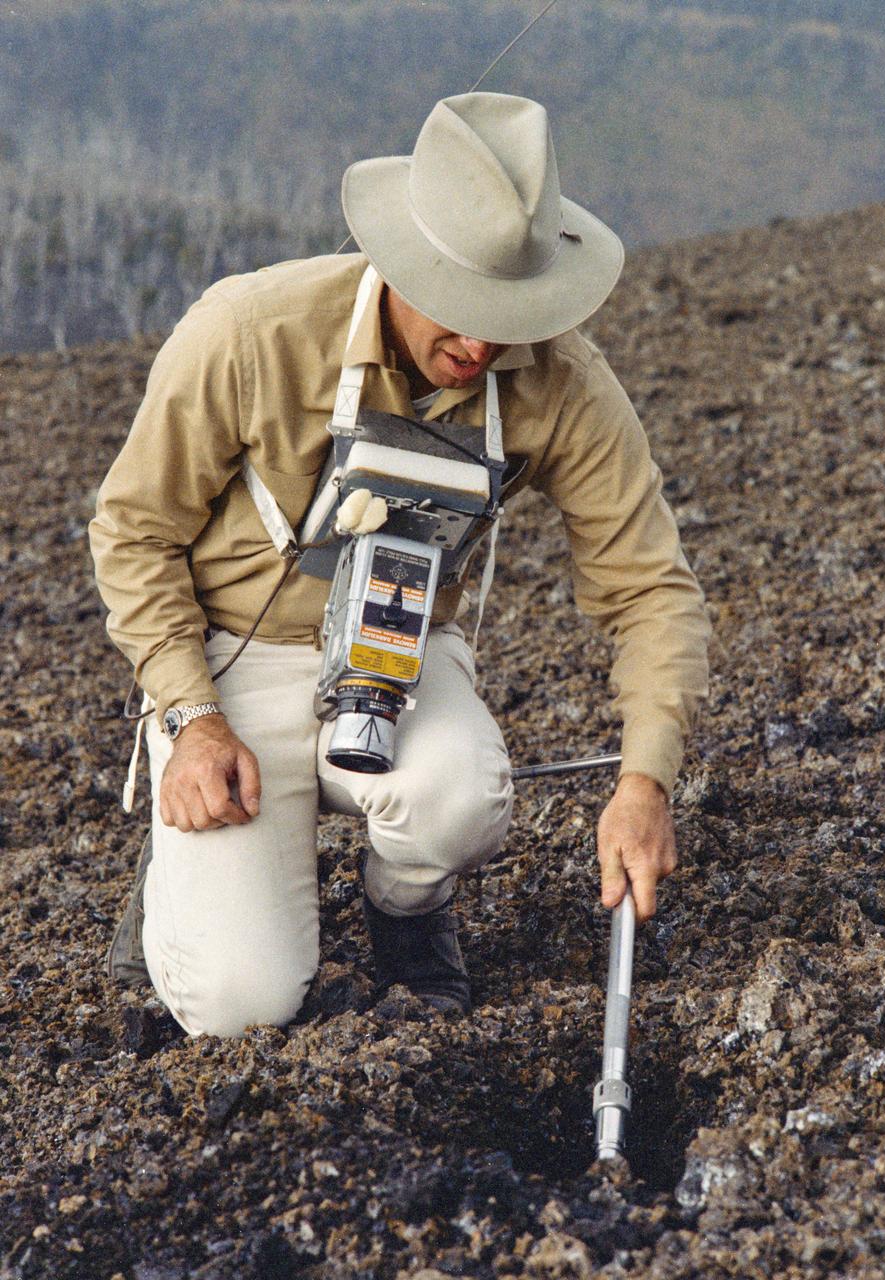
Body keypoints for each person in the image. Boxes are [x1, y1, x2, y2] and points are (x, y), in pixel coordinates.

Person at [90, 93, 710, 1037]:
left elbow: (650, 587)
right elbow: (132, 530)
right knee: (242, 1005)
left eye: (508, 317)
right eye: (460, 312)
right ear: (397, 261)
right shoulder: (250, 333)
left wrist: (644, 782)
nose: (480, 347)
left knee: (460, 799)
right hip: (230, 662)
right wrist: (192, 714)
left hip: (399, 650)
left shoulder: (559, 380)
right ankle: (187, 875)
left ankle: (407, 915)